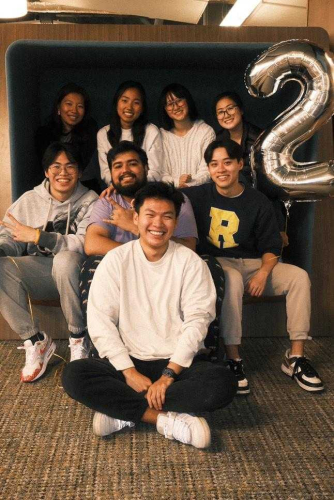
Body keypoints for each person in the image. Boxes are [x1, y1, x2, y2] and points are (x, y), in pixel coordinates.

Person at [62, 182, 237, 448]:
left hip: (177, 364)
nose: (158, 223)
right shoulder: (115, 260)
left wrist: (168, 375)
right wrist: (129, 372)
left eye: (167, 216)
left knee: (223, 383)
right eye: (150, 215)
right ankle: (165, 420)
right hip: (128, 362)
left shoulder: (190, 263)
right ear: (136, 218)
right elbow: (100, 321)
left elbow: (198, 321)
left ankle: (123, 411)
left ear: (176, 222)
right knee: (74, 375)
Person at [183, 138, 324, 395]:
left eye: (227, 162)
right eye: (214, 164)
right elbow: (160, 195)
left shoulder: (257, 201)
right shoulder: (199, 194)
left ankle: (295, 358)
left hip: (257, 264)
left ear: (239, 164)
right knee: (233, 278)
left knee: (299, 277)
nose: (221, 169)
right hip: (219, 264)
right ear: (209, 169)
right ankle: (234, 358)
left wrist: (262, 273)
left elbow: (272, 246)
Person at [0, 142, 98, 383]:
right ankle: (35, 340)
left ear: (80, 171)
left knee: (65, 259)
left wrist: (39, 236)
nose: (63, 172)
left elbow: (85, 243)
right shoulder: (29, 200)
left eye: (70, 166)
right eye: (56, 166)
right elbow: (9, 236)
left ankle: (78, 337)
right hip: (41, 273)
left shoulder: (90, 200)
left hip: (75, 273)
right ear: (46, 171)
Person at [80, 140, 198, 325]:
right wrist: (136, 256)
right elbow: (92, 244)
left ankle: (201, 350)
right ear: (111, 173)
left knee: (206, 266)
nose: (125, 170)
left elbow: (189, 248)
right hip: (123, 267)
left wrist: (135, 227)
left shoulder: (172, 198)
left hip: (166, 266)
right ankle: (99, 347)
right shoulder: (107, 201)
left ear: (146, 167)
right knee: (93, 266)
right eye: (118, 166)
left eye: (132, 164)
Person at [214, 91, 288, 246]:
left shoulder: (260, 138)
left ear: (240, 110)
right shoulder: (218, 140)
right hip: (230, 197)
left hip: (260, 196)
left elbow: (270, 182)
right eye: (220, 112)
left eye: (230, 108)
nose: (226, 114)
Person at [97, 81, 162, 186]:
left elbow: (155, 172)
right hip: (116, 189)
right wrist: (121, 188)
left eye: (136, 102)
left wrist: (133, 186)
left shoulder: (151, 131)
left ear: (142, 107)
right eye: (124, 100)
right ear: (116, 102)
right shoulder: (103, 133)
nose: (129, 107)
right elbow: (106, 173)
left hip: (145, 190)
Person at [35, 83, 98, 188]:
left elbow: (81, 164)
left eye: (80, 106)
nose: (74, 110)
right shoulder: (44, 133)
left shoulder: (90, 131)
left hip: (84, 186)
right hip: (53, 185)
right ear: (58, 107)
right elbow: (47, 165)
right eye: (69, 104)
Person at [158, 83, 215, 187]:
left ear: (187, 101)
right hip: (169, 195)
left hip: (200, 193)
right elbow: (160, 173)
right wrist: (177, 182)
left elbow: (208, 170)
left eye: (179, 100)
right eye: (170, 104)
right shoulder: (160, 136)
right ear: (165, 109)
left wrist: (189, 185)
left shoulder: (206, 131)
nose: (176, 107)